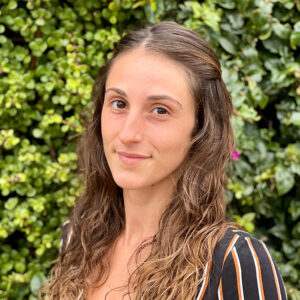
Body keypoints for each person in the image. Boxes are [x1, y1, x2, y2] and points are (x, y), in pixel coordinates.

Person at [40, 21, 287, 300]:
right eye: (119, 104)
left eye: (160, 110)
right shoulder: (78, 238)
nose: (128, 133)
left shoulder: (232, 261)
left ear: (201, 128)